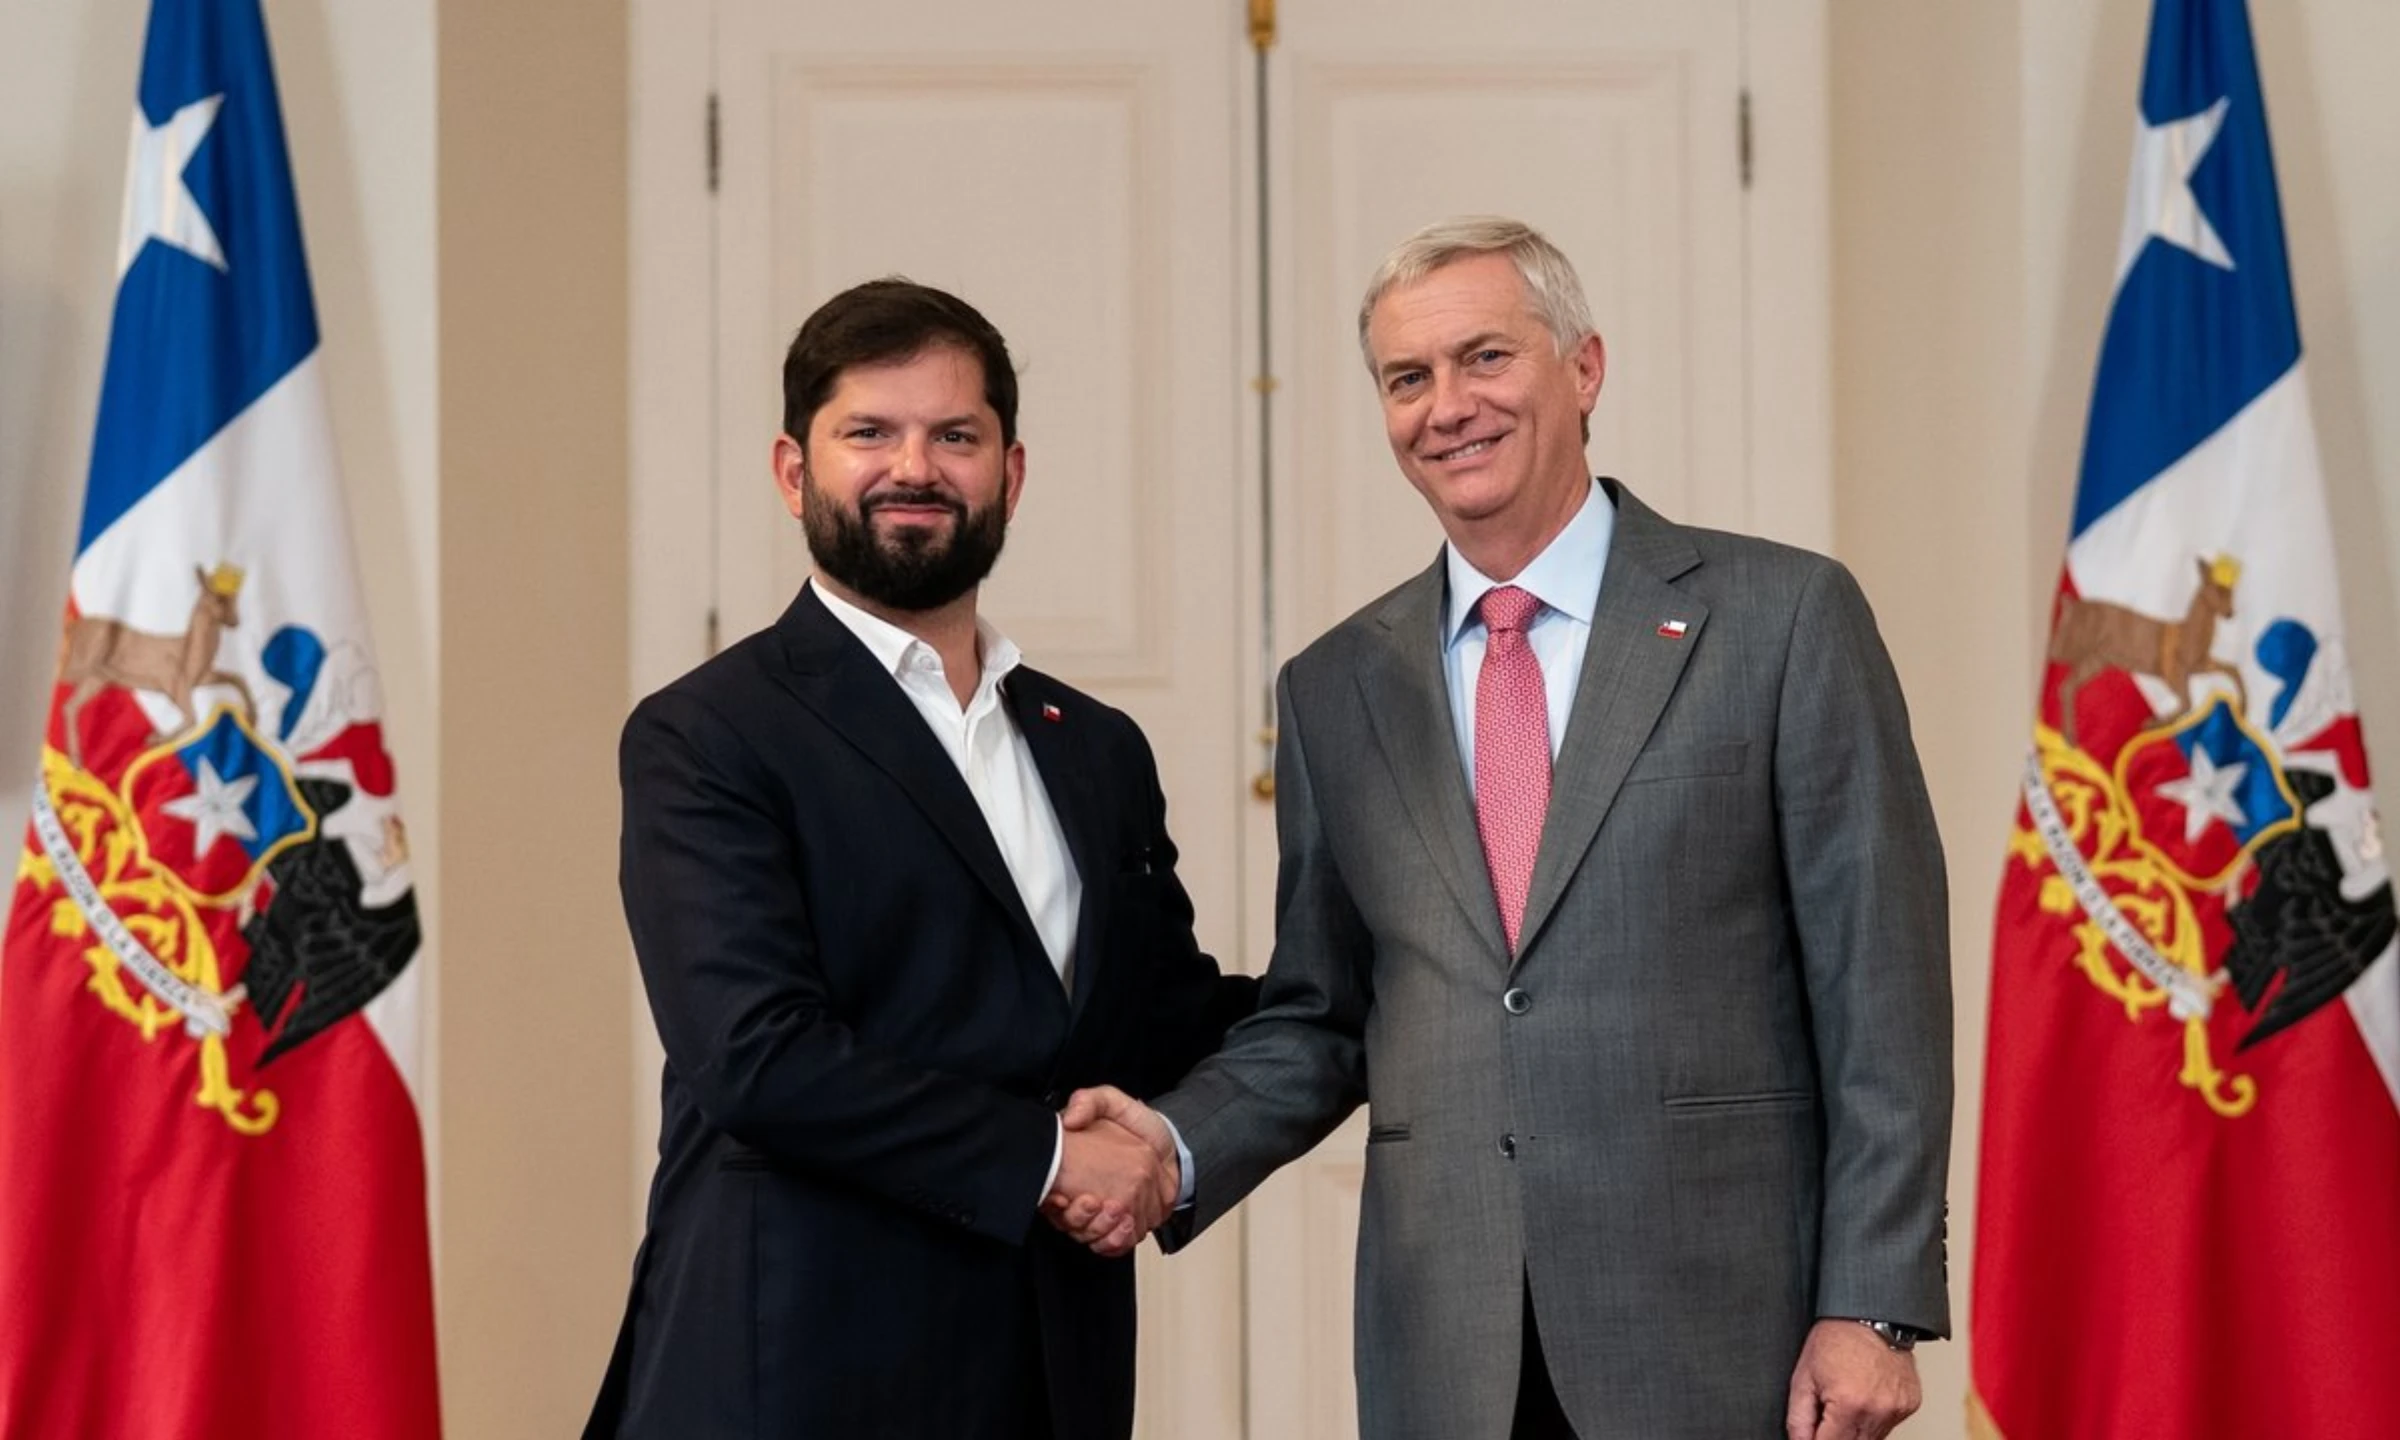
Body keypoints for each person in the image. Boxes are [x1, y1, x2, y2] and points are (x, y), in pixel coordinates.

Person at [1049, 217, 1953, 1440]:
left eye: (1485, 358)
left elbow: (1881, 989)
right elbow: (1327, 1016)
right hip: (1449, 1347)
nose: (1447, 406)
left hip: (1730, 1337)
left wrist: (1875, 1304)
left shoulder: (1783, 620)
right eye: (1406, 378)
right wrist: (1167, 1141)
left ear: (1582, 370)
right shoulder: (1334, 689)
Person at [586, 278, 1257, 1440]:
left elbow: (1156, 1019)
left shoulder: (1096, 748)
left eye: (957, 435)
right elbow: (756, 1056)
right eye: (870, 433)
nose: (917, 467)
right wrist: (1053, 1160)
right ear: (794, 471)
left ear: (1012, 471)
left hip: (1048, 1367)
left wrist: (1385, 990)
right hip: (793, 1369)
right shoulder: (707, 734)